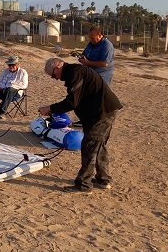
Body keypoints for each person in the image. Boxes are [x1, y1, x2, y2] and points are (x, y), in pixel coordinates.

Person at [38, 57, 123, 193]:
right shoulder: (74, 73)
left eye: (53, 75)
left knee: (89, 146)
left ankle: (84, 184)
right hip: (102, 112)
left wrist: (50, 108)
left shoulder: (75, 72)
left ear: (58, 66)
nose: (55, 79)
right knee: (98, 144)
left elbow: (72, 102)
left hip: (103, 112)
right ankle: (103, 179)